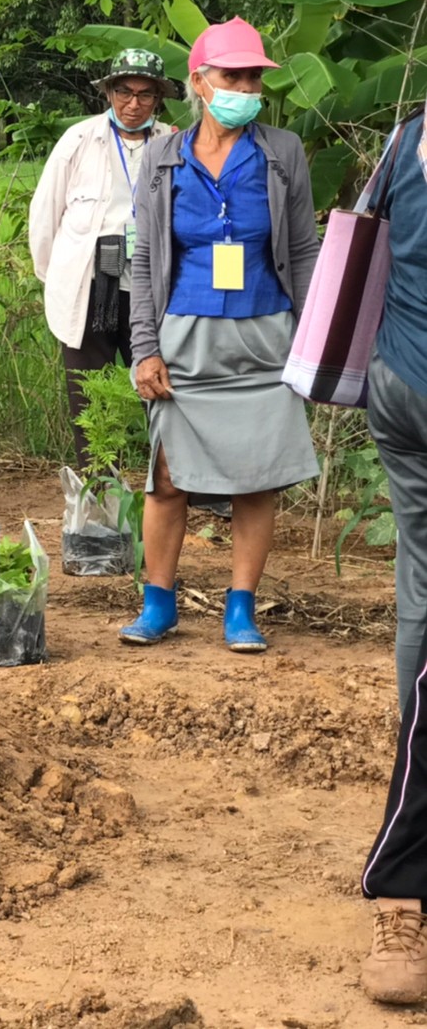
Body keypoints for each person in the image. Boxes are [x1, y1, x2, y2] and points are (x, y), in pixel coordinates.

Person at [119, 17, 320, 653]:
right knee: (168, 475)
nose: (248, 86)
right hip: (187, 335)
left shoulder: (282, 151)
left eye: (255, 75)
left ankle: (241, 608)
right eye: (234, 75)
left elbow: (305, 251)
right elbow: (145, 258)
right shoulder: (161, 155)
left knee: (257, 475)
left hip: (266, 335)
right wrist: (145, 346)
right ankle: (158, 603)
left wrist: (314, 343)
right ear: (200, 83)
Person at [357, 103, 427, 1004]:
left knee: (421, 601)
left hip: (398, 381)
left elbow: (366, 237)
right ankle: (404, 886)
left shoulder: (409, 132)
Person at [29, 49, 179, 467]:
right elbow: (45, 214)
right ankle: (98, 494)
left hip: (150, 288)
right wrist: (55, 278)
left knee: (161, 385)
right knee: (90, 395)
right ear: (109, 93)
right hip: (91, 284)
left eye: (145, 95)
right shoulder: (79, 140)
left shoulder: (172, 143)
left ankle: (167, 486)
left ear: (159, 98)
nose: (133, 104)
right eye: (124, 92)